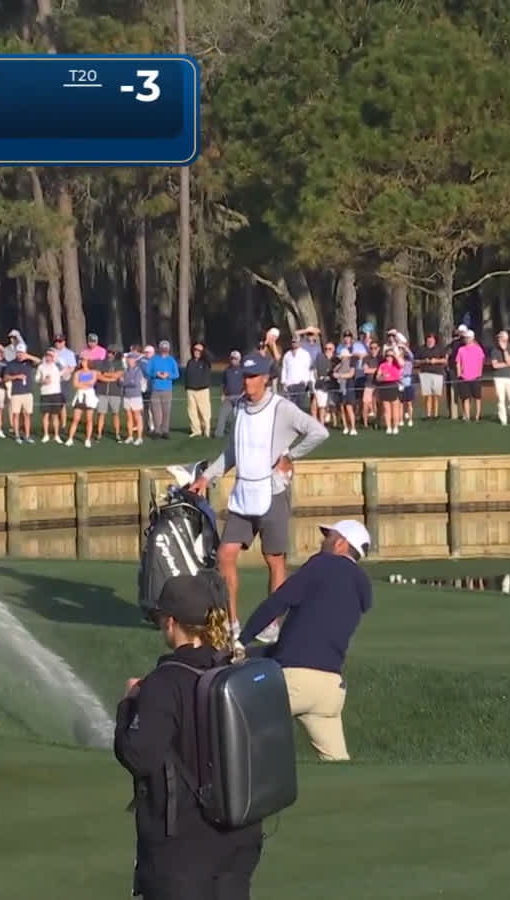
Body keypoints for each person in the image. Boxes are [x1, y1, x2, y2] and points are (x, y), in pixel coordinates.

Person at [114, 574, 263, 900]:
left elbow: (139, 755)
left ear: (170, 622)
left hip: (183, 849)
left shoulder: (164, 682)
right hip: (240, 839)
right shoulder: (235, 669)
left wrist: (128, 705)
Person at [191, 352, 330, 635]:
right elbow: (233, 451)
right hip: (243, 494)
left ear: (266, 379)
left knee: (274, 559)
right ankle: (232, 623)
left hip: (273, 493)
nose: (247, 381)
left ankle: (271, 622)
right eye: (245, 375)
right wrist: (207, 476)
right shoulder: (239, 407)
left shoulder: (282, 408)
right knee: (225, 555)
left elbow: (318, 432)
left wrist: (290, 455)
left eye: (253, 376)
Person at [240, 519, 373, 762]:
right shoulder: (361, 584)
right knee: (339, 764)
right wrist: (250, 654)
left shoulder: (322, 564)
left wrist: (240, 641)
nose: (323, 541)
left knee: (234, 721)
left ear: (341, 544)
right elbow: (299, 643)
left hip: (296, 683)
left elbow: (277, 602)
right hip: (330, 691)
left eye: (328, 536)